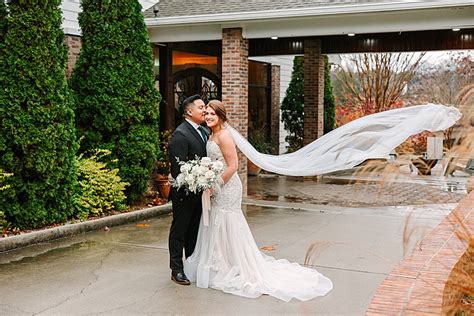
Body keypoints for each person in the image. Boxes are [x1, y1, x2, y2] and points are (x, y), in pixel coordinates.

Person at [183, 100, 333, 301]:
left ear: (221, 116)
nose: (208, 116)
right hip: (217, 185)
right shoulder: (211, 134)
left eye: (212, 114)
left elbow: (233, 165)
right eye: (207, 113)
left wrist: (215, 183)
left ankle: (235, 265)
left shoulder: (225, 135)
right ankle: (221, 264)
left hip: (227, 187)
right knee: (217, 223)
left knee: (227, 222)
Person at [168, 94, 209, 285]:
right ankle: (176, 269)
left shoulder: (204, 131)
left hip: (200, 192)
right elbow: (178, 169)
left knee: (194, 231)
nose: (205, 110)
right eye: (201, 107)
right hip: (184, 193)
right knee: (180, 231)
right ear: (189, 112)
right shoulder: (180, 134)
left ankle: (192, 265)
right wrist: (196, 178)